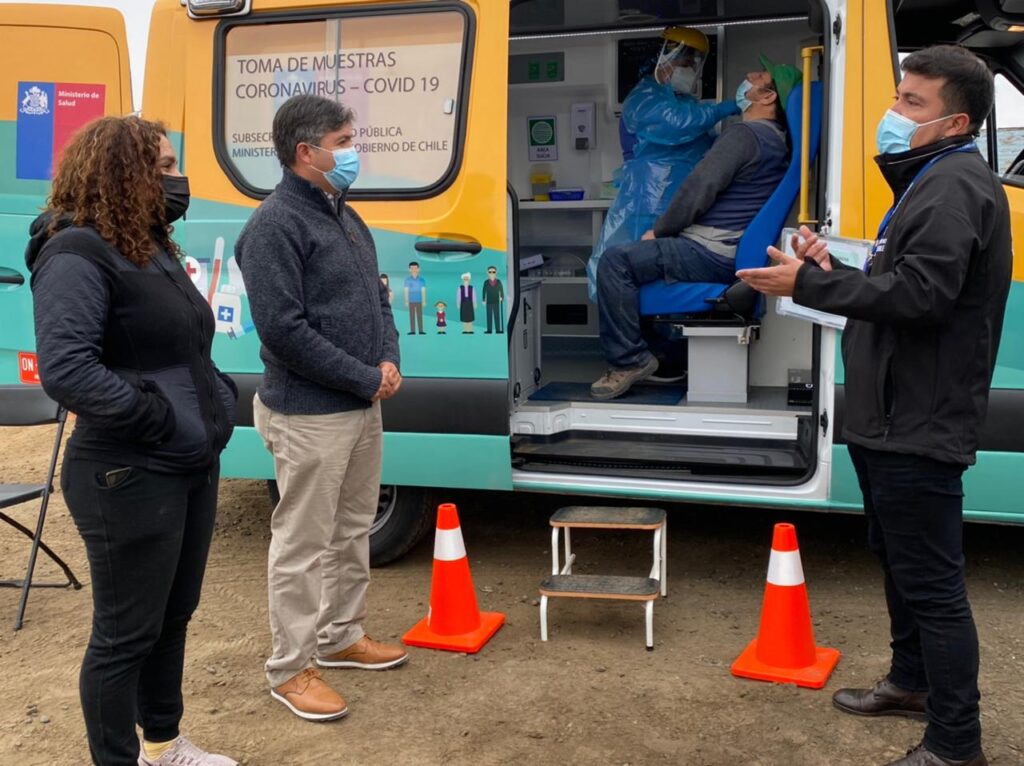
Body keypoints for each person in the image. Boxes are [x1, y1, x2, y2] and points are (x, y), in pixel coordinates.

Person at [738, 46, 1009, 766]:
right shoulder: (930, 180)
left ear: (955, 121)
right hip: (892, 415)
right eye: (897, 96)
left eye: (912, 104)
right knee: (897, 560)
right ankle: (912, 682)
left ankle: (957, 743)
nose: (893, 114)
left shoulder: (953, 186)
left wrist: (806, 286)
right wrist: (830, 267)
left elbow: (924, 296)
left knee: (932, 582)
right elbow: (901, 278)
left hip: (917, 419)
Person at [29, 116, 238, 766]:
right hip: (127, 473)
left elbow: (181, 346)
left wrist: (217, 402)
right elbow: (67, 369)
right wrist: (159, 419)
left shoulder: (146, 243)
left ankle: (165, 748)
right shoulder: (75, 252)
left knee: (171, 617)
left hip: (187, 465)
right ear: (123, 172)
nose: (179, 179)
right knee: (125, 637)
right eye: (166, 164)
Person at [236, 94, 406, 723]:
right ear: (306, 152)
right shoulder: (275, 226)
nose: (353, 150)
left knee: (352, 527)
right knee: (302, 544)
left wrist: (388, 360)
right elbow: (283, 331)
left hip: (358, 405)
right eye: (343, 139)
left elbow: (378, 299)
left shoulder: (343, 213)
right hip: (309, 412)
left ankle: (339, 637)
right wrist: (365, 377)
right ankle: (291, 668)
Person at [590, 59, 800, 400]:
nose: (748, 75)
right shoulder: (774, 140)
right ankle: (663, 357)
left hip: (709, 251)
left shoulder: (745, 135)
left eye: (759, 76)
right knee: (633, 262)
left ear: (768, 97)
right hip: (724, 248)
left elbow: (698, 188)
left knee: (615, 262)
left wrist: (659, 232)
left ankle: (628, 361)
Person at [586, 26, 740, 301]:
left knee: (666, 279)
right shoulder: (644, 98)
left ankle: (668, 340)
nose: (690, 69)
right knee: (636, 278)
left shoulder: (683, 102)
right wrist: (724, 107)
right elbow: (676, 123)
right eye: (685, 62)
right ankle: (644, 337)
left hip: (679, 206)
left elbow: (705, 145)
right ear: (664, 59)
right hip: (648, 203)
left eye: (695, 64)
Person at [404, 261, 427, 334]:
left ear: (418, 269)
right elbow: (406, 291)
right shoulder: (407, 280)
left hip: (419, 300)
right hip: (411, 300)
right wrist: (406, 301)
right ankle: (412, 331)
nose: (414, 270)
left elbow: (423, 291)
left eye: (415, 268)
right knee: (412, 316)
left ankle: (420, 330)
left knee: (419, 316)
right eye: (412, 268)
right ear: (409, 269)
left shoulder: (422, 280)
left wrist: (424, 301)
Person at [481, 265, 505, 334]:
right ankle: (489, 330)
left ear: (496, 272)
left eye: (493, 272)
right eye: (490, 272)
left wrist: (502, 297)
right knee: (489, 316)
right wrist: (483, 299)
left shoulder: (498, 282)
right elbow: (484, 291)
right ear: (488, 273)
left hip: (496, 301)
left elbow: (501, 290)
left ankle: (498, 330)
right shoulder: (486, 282)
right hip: (489, 301)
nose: (492, 273)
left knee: (497, 316)